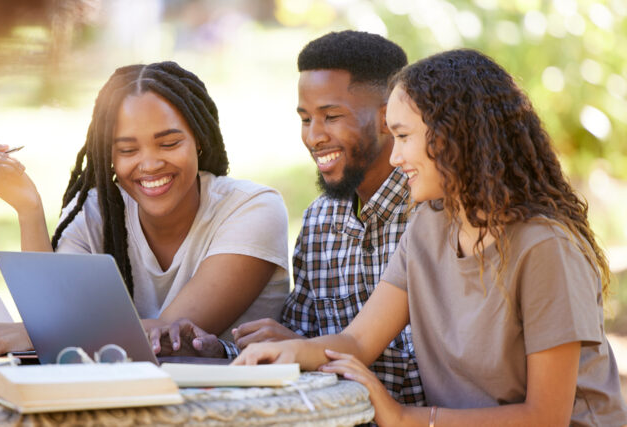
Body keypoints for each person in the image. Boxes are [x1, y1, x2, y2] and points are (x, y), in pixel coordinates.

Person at [236, 49, 627, 426]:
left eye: (404, 137)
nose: (394, 157)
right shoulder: (427, 226)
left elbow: (545, 418)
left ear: (452, 137)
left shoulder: (545, 247)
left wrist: (406, 419)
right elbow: (357, 342)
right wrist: (287, 353)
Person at [0, 61, 291, 357]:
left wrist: (35, 333)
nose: (150, 164)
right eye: (127, 150)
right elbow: (51, 313)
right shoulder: (96, 213)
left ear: (199, 140)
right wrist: (28, 208)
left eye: (169, 143)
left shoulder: (253, 209)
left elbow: (171, 333)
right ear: (108, 156)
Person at [165, 30, 424, 405]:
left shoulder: (432, 216)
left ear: (388, 118)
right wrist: (220, 354)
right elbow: (296, 339)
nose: (314, 137)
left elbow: (433, 376)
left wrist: (311, 353)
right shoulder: (319, 221)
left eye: (331, 116)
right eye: (305, 119)